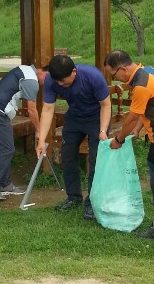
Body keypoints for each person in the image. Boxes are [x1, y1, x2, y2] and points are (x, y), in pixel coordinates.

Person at [104, 49, 154, 258]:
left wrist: (118, 139)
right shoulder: (147, 71)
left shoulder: (141, 85)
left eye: (114, 76)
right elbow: (148, 107)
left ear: (122, 69)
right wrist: (140, 128)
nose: (117, 81)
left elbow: (131, 116)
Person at [36, 55, 112, 220]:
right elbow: (48, 109)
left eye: (64, 81)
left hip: (96, 118)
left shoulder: (93, 76)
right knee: (68, 157)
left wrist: (103, 130)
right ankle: (73, 197)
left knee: (95, 160)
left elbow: (106, 105)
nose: (61, 85)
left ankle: (92, 202)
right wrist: (41, 140)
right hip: (74, 118)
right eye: (58, 83)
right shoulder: (51, 80)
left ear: (74, 71)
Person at [0, 64, 47, 200]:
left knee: (5, 148)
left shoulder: (26, 70)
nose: (45, 83)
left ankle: (5, 185)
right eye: (47, 78)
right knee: (7, 149)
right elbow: (32, 110)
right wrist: (38, 131)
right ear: (44, 72)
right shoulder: (31, 81)